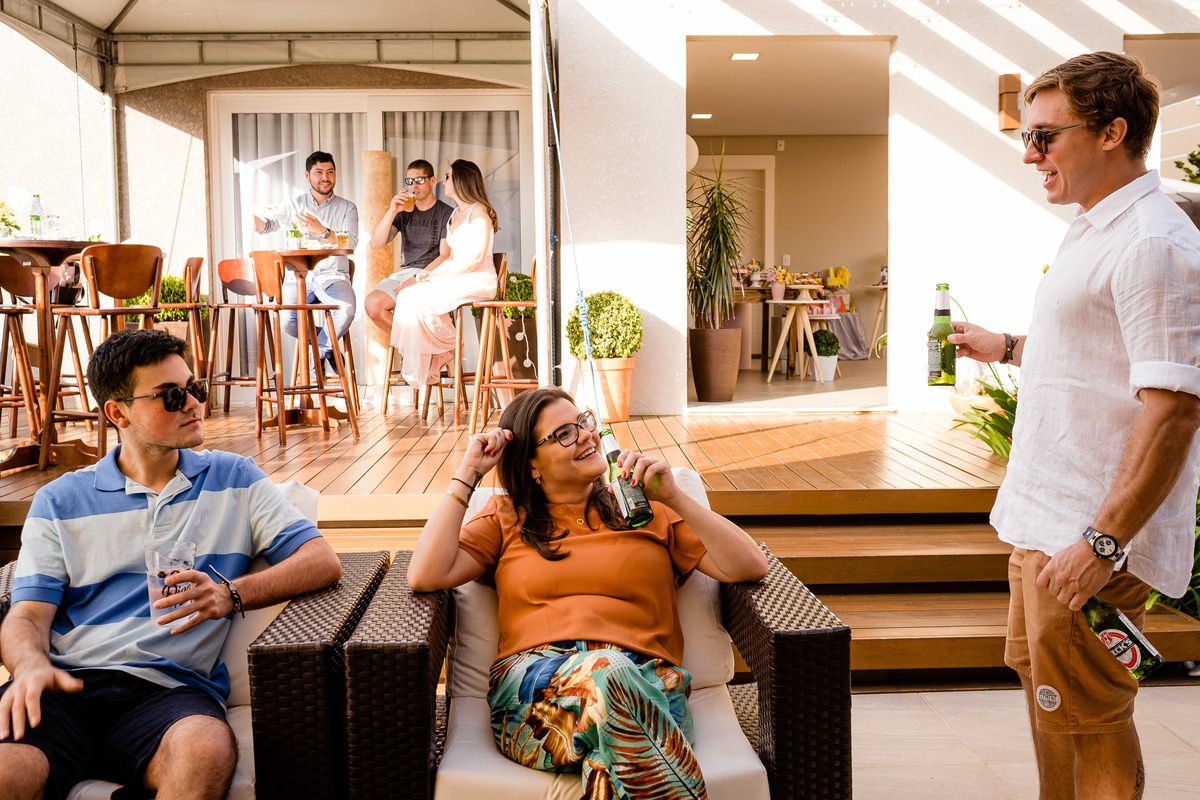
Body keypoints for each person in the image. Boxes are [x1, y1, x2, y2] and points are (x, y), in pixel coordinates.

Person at [949, 51, 1200, 799]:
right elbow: (1101, 353)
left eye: (1044, 136)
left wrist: (1102, 544)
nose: (1030, 154)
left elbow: (1176, 409)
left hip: (1087, 537)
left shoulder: (1153, 243)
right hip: (1045, 522)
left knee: (1092, 718)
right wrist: (1006, 347)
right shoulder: (1097, 226)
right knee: (1053, 701)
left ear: (1112, 132)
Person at [0, 329, 343, 800]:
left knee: (205, 750)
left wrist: (230, 594)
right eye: (171, 396)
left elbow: (322, 560)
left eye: (193, 388)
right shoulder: (59, 501)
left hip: (170, 692)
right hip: (64, 689)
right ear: (118, 413)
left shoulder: (234, 479)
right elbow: (27, 615)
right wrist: (29, 665)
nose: (194, 404)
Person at [408, 387, 768, 799]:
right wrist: (468, 472)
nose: (586, 435)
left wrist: (675, 498)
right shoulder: (506, 517)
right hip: (536, 695)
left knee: (610, 761)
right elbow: (425, 575)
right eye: (564, 433)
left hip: (650, 686)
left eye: (583, 421)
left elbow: (750, 566)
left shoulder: (646, 510)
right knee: (611, 675)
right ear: (532, 466)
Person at [389, 159, 499, 384]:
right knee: (408, 294)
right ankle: (442, 352)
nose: (444, 181)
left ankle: (449, 346)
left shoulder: (479, 211)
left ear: (461, 180)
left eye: (448, 176)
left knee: (425, 298)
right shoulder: (455, 213)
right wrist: (429, 275)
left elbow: (476, 257)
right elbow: (450, 257)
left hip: (478, 278)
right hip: (457, 276)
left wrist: (444, 277)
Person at [251, 150, 359, 375]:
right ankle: (329, 347)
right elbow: (265, 228)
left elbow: (352, 242)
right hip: (299, 277)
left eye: (330, 172)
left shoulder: (347, 207)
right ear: (307, 175)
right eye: (318, 172)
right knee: (287, 320)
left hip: (334, 276)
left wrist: (323, 231)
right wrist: (255, 211)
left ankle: (318, 351)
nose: (325, 177)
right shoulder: (292, 206)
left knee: (347, 311)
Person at [365, 159, 455, 335]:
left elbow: (445, 256)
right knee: (373, 304)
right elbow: (376, 244)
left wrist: (416, 279)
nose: (414, 185)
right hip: (405, 274)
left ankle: (420, 346)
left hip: (432, 275)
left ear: (432, 180)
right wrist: (392, 211)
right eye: (409, 181)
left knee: (413, 307)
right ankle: (418, 344)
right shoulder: (404, 211)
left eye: (419, 180)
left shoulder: (446, 213)